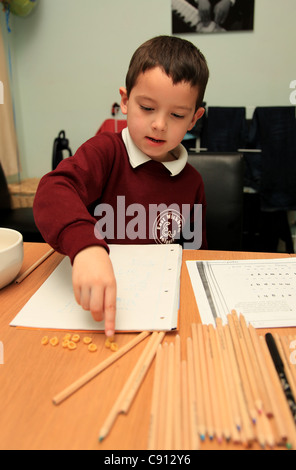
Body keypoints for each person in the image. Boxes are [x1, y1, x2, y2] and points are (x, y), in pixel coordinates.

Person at [33, 35, 209, 338]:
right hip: (98, 306)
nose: (159, 125)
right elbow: (53, 190)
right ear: (125, 101)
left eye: (177, 115)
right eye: (147, 108)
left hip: (159, 311)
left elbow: (196, 255)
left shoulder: (192, 182)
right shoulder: (105, 152)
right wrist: (85, 247)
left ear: (194, 119)